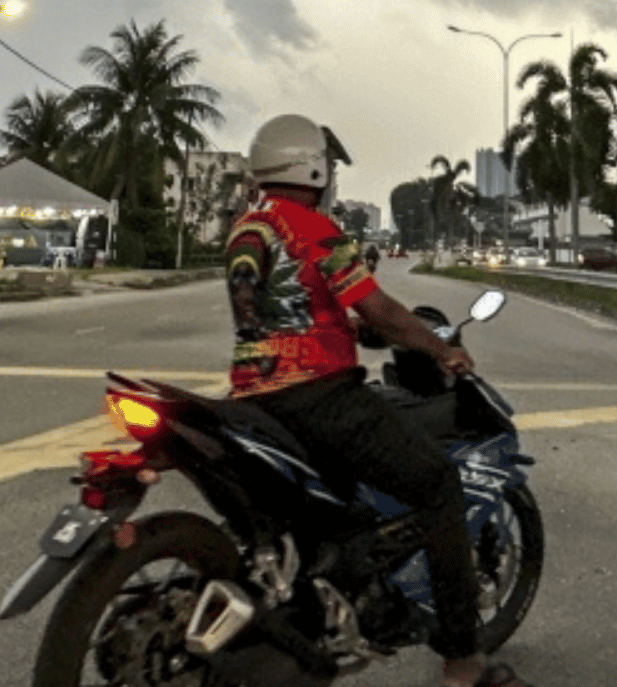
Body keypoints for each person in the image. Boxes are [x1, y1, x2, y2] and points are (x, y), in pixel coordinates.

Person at [222, 113, 532, 687]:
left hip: (252, 401)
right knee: (438, 485)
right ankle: (464, 662)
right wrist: (442, 351)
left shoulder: (248, 228)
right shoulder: (314, 228)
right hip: (319, 398)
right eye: (328, 166)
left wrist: (358, 332)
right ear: (311, 167)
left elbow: (299, 313)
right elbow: (382, 310)